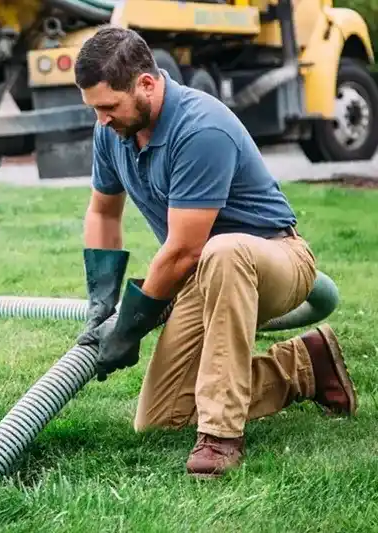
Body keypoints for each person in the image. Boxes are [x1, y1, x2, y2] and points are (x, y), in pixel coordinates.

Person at [72, 25, 357, 478]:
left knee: (222, 250)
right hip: (202, 275)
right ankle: (305, 365)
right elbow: (104, 213)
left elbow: (185, 248)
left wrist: (131, 324)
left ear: (146, 83)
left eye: (109, 106)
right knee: (160, 419)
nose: (102, 119)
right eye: (95, 109)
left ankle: (221, 436)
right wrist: (103, 300)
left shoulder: (201, 127)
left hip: (273, 259)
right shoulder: (112, 130)